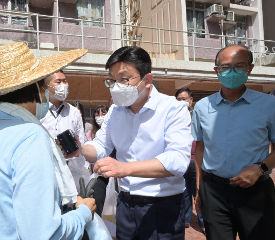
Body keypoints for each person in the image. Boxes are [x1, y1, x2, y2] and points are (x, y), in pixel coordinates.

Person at [0, 42, 95, 239]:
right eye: (44, 87)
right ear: (35, 89)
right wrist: (83, 214)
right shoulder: (29, 135)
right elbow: (44, 233)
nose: (46, 95)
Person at [68, 46, 192, 239]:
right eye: (112, 80)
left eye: (124, 79)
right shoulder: (115, 111)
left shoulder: (173, 109)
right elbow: (101, 147)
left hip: (162, 207)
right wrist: (81, 149)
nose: (117, 86)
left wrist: (125, 168)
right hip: (125, 204)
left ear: (147, 80)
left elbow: (177, 161)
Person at [192, 45, 275, 240]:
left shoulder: (268, 105)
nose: (231, 72)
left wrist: (259, 168)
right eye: (225, 67)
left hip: (256, 192)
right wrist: (199, 188)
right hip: (214, 192)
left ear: (250, 68)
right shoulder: (203, 106)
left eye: (239, 66)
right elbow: (200, 149)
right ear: (216, 71)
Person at [39, 70, 89, 192]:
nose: (63, 85)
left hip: (71, 174)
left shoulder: (74, 112)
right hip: (45, 173)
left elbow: (80, 143)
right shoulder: (39, 112)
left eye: (65, 81)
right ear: (47, 86)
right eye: (58, 81)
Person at [175, 88, 204, 232]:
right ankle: (186, 220)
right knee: (184, 193)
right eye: (178, 99)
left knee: (199, 191)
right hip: (181, 162)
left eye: (184, 99)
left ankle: (202, 220)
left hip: (196, 161)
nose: (181, 102)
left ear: (191, 100)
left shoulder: (197, 115)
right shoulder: (173, 117)